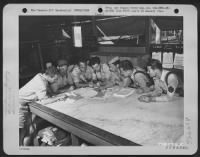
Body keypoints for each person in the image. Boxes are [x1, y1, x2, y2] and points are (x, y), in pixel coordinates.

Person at [19, 66, 59, 146]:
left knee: (29, 130)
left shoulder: (40, 76)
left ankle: (26, 147)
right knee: (22, 132)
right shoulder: (41, 84)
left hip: (24, 103)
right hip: (19, 105)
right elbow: (44, 101)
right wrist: (58, 98)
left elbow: (43, 93)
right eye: (55, 79)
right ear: (50, 76)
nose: (56, 81)